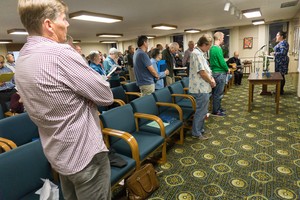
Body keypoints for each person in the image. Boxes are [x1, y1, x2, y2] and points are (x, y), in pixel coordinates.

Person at [16, 1, 113, 199]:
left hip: (59, 154)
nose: (67, 24)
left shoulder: (23, 58)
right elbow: (105, 96)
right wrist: (87, 98)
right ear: (49, 25)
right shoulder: (61, 53)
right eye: (63, 19)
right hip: (85, 154)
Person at [189, 34, 215, 140]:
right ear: (204, 44)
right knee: (201, 111)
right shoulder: (196, 54)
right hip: (200, 88)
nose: (209, 48)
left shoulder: (200, 53)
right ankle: (196, 133)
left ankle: (200, 130)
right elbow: (202, 73)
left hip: (204, 87)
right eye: (208, 46)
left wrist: (211, 79)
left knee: (203, 111)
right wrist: (211, 82)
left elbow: (205, 70)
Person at [209, 31, 229, 116]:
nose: (223, 40)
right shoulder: (218, 48)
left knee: (215, 93)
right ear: (219, 38)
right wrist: (227, 69)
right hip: (220, 73)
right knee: (218, 93)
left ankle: (217, 108)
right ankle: (216, 111)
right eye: (223, 38)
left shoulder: (211, 48)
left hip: (214, 72)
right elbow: (222, 61)